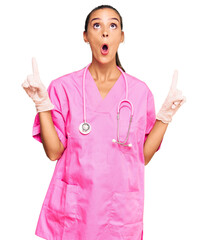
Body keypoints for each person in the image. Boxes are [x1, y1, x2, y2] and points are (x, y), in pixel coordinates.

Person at [21, 4, 186, 240]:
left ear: (122, 36)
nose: (105, 32)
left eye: (113, 25)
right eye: (96, 25)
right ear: (86, 36)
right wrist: (42, 106)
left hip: (118, 212)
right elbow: (54, 152)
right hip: (75, 211)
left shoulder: (139, 92)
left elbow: (143, 157)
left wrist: (164, 118)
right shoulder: (63, 88)